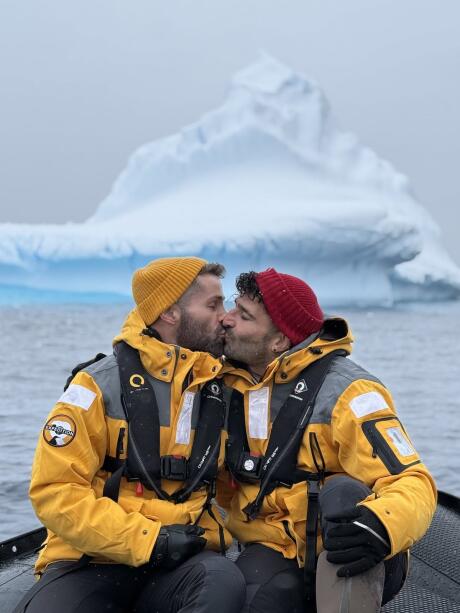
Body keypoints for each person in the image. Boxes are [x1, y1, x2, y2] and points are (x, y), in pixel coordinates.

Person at [16, 257, 246, 613]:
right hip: (91, 560)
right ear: (170, 313)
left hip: (186, 560)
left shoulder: (228, 387)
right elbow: (55, 493)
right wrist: (150, 540)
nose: (225, 316)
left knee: (222, 585)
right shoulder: (95, 387)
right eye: (213, 304)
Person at [219, 268, 436, 613]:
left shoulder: (351, 393)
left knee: (345, 494)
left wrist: (381, 525)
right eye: (233, 307)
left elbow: (415, 482)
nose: (225, 319)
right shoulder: (224, 384)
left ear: (279, 341)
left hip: (353, 548)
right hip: (273, 548)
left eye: (243, 315)